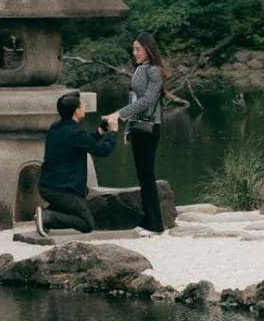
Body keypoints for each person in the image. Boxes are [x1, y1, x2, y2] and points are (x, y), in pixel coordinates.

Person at [103, 32, 167, 233]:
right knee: (142, 174)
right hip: (138, 128)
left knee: (147, 174)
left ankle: (155, 224)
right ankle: (149, 220)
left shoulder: (155, 72)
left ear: (148, 49)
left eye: (138, 49)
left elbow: (147, 101)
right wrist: (128, 128)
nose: (135, 52)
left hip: (150, 128)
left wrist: (119, 114)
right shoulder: (139, 69)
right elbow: (133, 99)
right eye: (133, 49)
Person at [35, 90, 118, 236]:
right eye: (82, 105)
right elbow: (103, 151)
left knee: (76, 206)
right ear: (76, 111)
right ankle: (48, 217)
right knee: (87, 223)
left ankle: (46, 214)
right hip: (62, 190)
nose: (84, 106)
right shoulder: (76, 133)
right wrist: (113, 132)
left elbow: (84, 142)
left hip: (47, 186)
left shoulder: (56, 127)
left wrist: (100, 131)